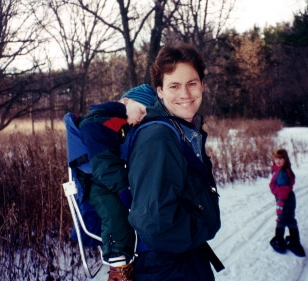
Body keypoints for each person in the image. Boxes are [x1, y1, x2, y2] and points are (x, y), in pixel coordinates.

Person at [127, 43, 222, 280]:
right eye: (174, 86)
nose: (185, 94)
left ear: (202, 85)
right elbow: (153, 223)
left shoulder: (181, 130)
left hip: (184, 258)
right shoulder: (158, 138)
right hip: (167, 267)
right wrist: (204, 227)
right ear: (159, 91)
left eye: (191, 84)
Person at [78, 84, 157, 281]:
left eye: (146, 114)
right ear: (126, 100)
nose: (141, 117)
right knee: (115, 216)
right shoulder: (96, 123)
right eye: (141, 110)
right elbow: (105, 165)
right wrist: (125, 190)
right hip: (98, 184)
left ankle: (136, 263)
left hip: (115, 180)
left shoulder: (122, 124)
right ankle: (118, 269)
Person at [269, 148, 306, 257]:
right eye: (276, 158)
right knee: (290, 218)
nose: (278, 161)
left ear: (285, 159)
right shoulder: (283, 170)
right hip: (289, 198)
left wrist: (280, 204)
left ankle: (279, 240)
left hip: (284, 199)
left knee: (281, 219)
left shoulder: (282, 173)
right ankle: (295, 240)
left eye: (281, 158)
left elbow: (283, 190)